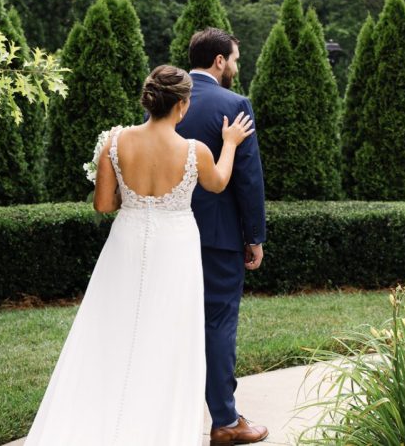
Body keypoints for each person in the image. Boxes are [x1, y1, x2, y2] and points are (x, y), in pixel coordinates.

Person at [24, 65, 255, 445]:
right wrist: (229, 143)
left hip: (126, 242)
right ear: (182, 105)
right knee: (170, 335)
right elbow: (219, 183)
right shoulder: (194, 150)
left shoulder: (116, 142)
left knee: (113, 329)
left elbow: (102, 205)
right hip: (175, 247)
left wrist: (131, 197)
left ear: (149, 100)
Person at [177, 28, 269, 446]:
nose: (235, 66)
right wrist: (255, 236)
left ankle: (170, 414)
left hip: (169, 233)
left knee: (175, 324)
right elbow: (247, 181)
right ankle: (225, 421)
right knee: (217, 324)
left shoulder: (164, 104)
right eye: (233, 58)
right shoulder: (234, 105)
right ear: (218, 61)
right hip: (218, 237)